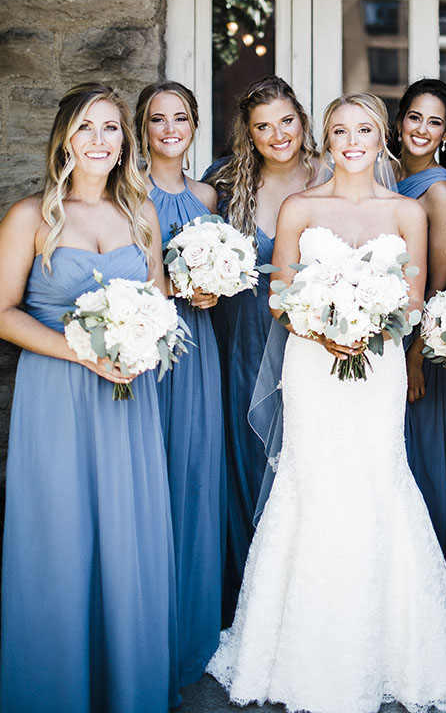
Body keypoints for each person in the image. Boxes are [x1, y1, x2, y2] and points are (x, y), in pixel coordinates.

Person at [207, 93, 446, 713]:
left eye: (364, 129)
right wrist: (323, 327)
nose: (352, 140)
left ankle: (390, 649)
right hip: (310, 363)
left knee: (377, 480)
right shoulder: (301, 206)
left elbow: (414, 302)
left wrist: (370, 327)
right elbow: (277, 296)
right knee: (313, 484)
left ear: (382, 137)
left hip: (376, 367)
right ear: (325, 138)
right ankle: (295, 648)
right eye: (340, 130)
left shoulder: (408, 211)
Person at [0, 83, 177, 713]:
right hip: (58, 393)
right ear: (64, 140)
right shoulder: (31, 217)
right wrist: (81, 352)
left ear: (125, 140)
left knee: (127, 533)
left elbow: (158, 300)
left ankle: (128, 688)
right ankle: (55, 690)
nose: (99, 141)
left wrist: (143, 343)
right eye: (86, 128)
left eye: (110, 128)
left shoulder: (140, 214)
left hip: (128, 395)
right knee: (60, 535)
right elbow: (2, 312)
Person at [204, 75, 318, 622]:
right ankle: (251, 602)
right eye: (263, 127)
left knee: (306, 459)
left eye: (286, 121)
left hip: (312, 342)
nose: (278, 135)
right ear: (248, 134)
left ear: (302, 119)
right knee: (249, 452)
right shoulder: (225, 184)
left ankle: (300, 600)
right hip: (243, 338)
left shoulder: (333, 175)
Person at [135, 80, 226, 687]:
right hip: (145, 350)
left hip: (198, 351)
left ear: (195, 126)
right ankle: (145, 631)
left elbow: (222, 272)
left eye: (181, 118)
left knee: (194, 477)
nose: (171, 128)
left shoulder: (209, 196)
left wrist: (212, 288)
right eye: (158, 118)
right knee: (149, 482)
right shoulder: (127, 192)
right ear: (143, 128)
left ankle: (191, 629)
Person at [393, 78, 446, 552]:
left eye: (434, 122)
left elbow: (442, 282)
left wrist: (416, 355)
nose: (422, 128)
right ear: (399, 122)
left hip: (417, 342)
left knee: (418, 459)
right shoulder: (380, 173)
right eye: (415, 117)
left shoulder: (439, 190)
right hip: (377, 329)